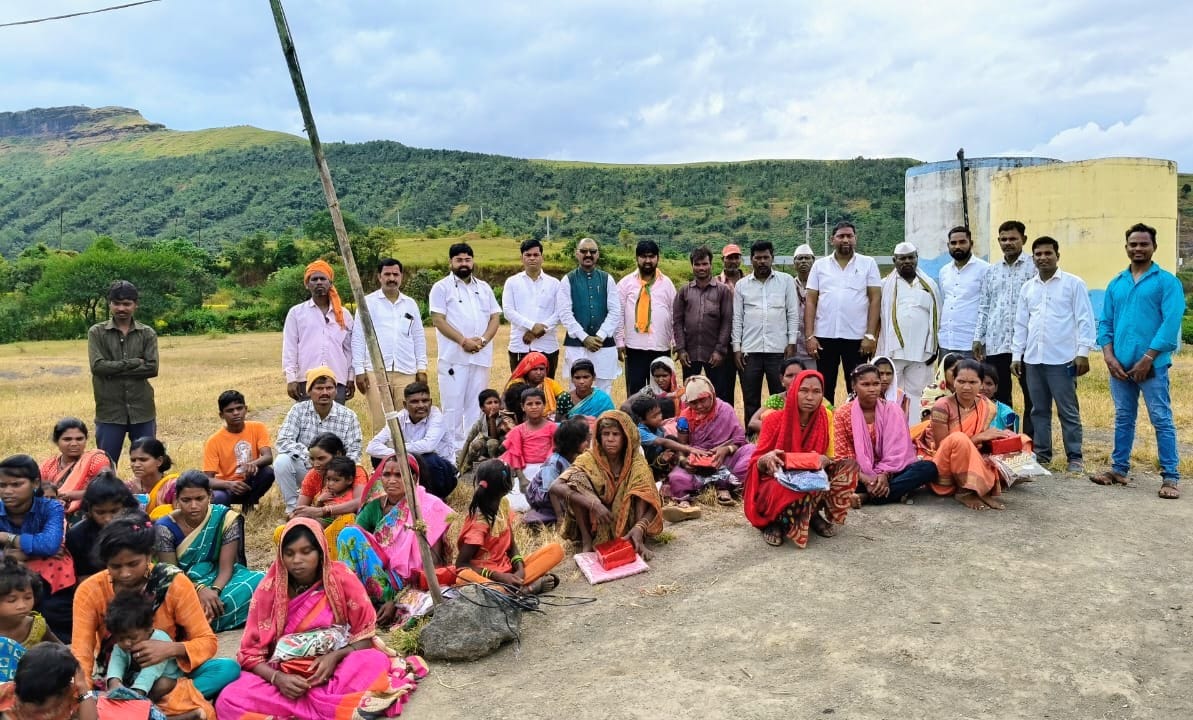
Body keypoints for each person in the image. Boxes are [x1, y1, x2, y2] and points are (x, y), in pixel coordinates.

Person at [216, 519, 427, 719]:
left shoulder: (341, 577)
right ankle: (334, 708)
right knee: (230, 697)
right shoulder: (269, 589)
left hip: (337, 668)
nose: (297, 560)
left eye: (306, 551)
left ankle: (306, 709)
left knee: (372, 662)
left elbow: (365, 637)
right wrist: (277, 678)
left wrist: (334, 657)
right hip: (285, 674)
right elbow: (250, 655)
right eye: (289, 553)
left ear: (320, 551)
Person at [72, 511, 241, 702]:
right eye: (116, 567)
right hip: (114, 676)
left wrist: (169, 649)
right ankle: (152, 705)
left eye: (133, 564)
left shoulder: (173, 582)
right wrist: (84, 694)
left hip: (165, 674)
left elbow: (207, 641)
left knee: (227, 669)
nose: (125, 573)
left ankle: (141, 704)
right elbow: (81, 653)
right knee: (69, 688)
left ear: (149, 556)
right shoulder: (90, 591)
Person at [1092, 222, 1185, 498]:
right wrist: (1108, 356)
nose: (1138, 249)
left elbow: (1171, 323)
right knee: (1123, 417)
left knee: (1161, 418)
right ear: (1126, 247)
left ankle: (1170, 477)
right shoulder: (1117, 283)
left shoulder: (1166, 282)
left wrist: (1148, 357)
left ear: (1154, 247)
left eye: (1144, 244)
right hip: (1120, 367)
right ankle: (1118, 469)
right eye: (1133, 244)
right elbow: (1105, 322)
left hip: (1153, 367)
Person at [743, 370, 858, 548]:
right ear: (794, 391)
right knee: (784, 488)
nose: (810, 397)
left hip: (813, 475)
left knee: (848, 467)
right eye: (804, 390)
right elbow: (756, 463)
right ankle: (776, 521)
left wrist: (825, 460)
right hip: (779, 478)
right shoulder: (773, 419)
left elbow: (831, 455)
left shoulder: (825, 416)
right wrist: (767, 458)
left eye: (816, 392)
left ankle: (811, 514)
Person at [1011, 237, 1095, 473]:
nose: (1043, 258)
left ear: (1058, 255)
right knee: (1038, 410)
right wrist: (1017, 355)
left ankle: (1075, 456)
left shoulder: (1073, 284)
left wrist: (1083, 353)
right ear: (1033, 258)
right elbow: (1021, 324)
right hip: (1033, 359)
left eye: (1048, 253)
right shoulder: (1028, 288)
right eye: (1038, 254)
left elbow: (1085, 319)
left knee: (1068, 410)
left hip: (1062, 359)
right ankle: (1042, 454)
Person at [337, 455, 455, 623]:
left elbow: (434, 566)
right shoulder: (375, 504)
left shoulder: (430, 506)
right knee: (348, 534)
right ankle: (353, 601)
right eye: (386, 474)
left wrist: (397, 600)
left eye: (399, 475)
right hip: (378, 576)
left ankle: (377, 604)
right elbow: (357, 544)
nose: (391, 480)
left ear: (413, 477)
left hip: (408, 583)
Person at [153, 471, 263, 632]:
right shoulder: (164, 528)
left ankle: (200, 620)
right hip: (184, 586)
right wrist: (199, 590)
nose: (193, 506)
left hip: (219, 580)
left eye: (199, 499)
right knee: (175, 608)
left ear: (210, 496)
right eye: (186, 500)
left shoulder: (225, 518)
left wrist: (214, 592)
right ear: (176, 499)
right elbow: (172, 575)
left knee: (262, 581)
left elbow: (226, 568)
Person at [550, 411, 663, 560]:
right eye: (605, 434)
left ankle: (638, 538)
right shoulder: (589, 458)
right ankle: (587, 541)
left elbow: (653, 501)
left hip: (628, 522)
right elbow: (555, 486)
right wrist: (594, 504)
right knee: (575, 481)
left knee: (641, 485)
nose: (610, 439)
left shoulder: (636, 462)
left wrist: (640, 527)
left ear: (625, 437)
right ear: (598, 436)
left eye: (616, 434)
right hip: (598, 519)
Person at [913, 359, 1021, 511]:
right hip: (945, 465)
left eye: (973, 382)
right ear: (953, 381)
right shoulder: (941, 406)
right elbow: (942, 446)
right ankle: (965, 491)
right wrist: (978, 438)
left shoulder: (987, 405)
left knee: (1021, 440)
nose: (966, 387)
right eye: (961, 381)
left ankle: (980, 483)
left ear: (980, 383)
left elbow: (982, 442)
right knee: (959, 439)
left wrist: (999, 437)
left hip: (974, 456)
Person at [430, 243, 501, 454]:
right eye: (459, 260)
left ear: (472, 261)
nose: (464, 263)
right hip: (453, 358)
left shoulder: (484, 287)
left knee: (476, 408)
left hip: (480, 356)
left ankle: (473, 453)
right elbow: (438, 320)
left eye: (467, 260)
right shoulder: (441, 287)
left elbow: (495, 317)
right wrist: (463, 341)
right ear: (450, 262)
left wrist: (483, 340)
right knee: (452, 407)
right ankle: (451, 455)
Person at [833, 365, 938, 506]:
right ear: (853, 386)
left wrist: (884, 474)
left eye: (876, 384)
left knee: (928, 468)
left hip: (891, 472)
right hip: (858, 474)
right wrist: (866, 479)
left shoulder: (892, 410)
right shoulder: (842, 414)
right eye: (865, 384)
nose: (872, 389)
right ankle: (888, 493)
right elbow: (841, 458)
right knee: (835, 476)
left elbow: (899, 453)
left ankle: (867, 497)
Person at [455, 460, 564, 593]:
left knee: (555, 550)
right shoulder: (479, 524)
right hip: (487, 576)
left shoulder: (503, 505)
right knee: (463, 577)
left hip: (509, 572)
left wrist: (520, 569)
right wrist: (498, 576)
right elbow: (461, 564)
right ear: (507, 486)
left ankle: (513, 589)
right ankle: (523, 591)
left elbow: (512, 546)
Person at [805, 222, 882, 405]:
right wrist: (809, 336)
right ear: (832, 239)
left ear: (855, 239)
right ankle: (826, 421)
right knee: (825, 387)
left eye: (849, 236)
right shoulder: (820, 265)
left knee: (857, 387)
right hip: (825, 336)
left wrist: (870, 335)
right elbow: (811, 301)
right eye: (841, 236)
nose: (845, 240)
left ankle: (856, 422)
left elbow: (875, 299)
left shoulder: (868, 263)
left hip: (857, 338)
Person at [103, 591, 211, 720]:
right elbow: (116, 664)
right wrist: (114, 683)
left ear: (148, 628)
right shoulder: (121, 645)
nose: (126, 643)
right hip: (139, 684)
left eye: (132, 638)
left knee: (160, 685)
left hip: (164, 685)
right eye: (120, 639)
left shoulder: (159, 640)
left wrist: (136, 696)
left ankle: (156, 711)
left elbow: (149, 674)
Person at [973, 220, 1037, 436]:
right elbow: (984, 306)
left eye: (1013, 239)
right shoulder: (991, 272)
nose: (1008, 243)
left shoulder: (1034, 267)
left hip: (1027, 344)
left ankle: (1029, 442)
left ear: (1023, 240)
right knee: (998, 397)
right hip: (996, 343)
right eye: (1004, 239)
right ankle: (1001, 440)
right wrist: (978, 337)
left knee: (1032, 397)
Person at [0, 456, 72, 644]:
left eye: (16, 484)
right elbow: (46, 548)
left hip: (48, 579)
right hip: (6, 577)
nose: (7, 491)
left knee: (53, 613)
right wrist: (12, 555)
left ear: (35, 483)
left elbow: (49, 544)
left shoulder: (50, 507)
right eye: (2, 485)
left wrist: (7, 538)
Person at [352, 258, 428, 432]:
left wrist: (421, 368)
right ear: (379, 277)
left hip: (406, 370)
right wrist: (359, 370)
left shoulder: (410, 304)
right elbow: (358, 337)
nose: (391, 278)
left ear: (401, 276)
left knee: (406, 423)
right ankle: (381, 452)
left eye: (395, 274)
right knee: (381, 424)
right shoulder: (367, 302)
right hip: (375, 371)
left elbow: (418, 337)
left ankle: (405, 451)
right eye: (387, 274)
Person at [87, 280, 158, 468]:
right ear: (109, 304)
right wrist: (134, 362)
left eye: (127, 304)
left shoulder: (147, 333)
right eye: (116, 303)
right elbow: (98, 367)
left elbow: (152, 368)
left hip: (142, 409)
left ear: (135, 304)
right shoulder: (97, 332)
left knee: (148, 465)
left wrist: (112, 370)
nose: (121, 308)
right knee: (105, 467)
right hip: (109, 411)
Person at [274, 367, 362, 514]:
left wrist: (334, 466)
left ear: (336, 390)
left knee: (356, 472)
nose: (325, 393)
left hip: (336, 475)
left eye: (329, 388)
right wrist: (313, 458)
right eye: (319, 388)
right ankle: (293, 508)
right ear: (309, 391)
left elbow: (354, 451)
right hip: (306, 467)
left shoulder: (349, 416)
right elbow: (283, 441)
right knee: (281, 461)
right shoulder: (298, 410)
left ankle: (333, 506)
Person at [733, 241, 801, 425]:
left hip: (778, 350)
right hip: (750, 350)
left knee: (779, 397)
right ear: (751, 259)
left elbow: (792, 313)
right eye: (758, 258)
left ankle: (780, 432)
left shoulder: (786, 281)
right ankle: (751, 435)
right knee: (750, 397)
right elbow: (737, 319)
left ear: (772, 258)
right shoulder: (741, 285)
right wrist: (737, 348)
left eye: (766, 257)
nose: (762, 261)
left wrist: (792, 342)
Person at [667, 376, 755, 512]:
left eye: (703, 400)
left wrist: (726, 449)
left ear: (712, 395)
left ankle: (724, 486)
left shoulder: (725, 409)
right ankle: (685, 502)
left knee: (751, 451)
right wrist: (684, 462)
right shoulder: (684, 419)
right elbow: (682, 447)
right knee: (676, 477)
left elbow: (739, 439)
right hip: (698, 463)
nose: (699, 406)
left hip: (727, 460)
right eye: (693, 403)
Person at [877, 242, 940, 422]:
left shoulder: (929, 285)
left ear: (917, 258)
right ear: (894, 260)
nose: (907, 261)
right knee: (891, 392)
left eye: (911, 257)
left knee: (919, 393)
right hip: (894, 351)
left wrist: (934, 347)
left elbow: (938, 315)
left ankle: (915, 431)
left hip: (922, 352)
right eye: (902, 258)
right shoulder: (884, 285)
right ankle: (893, 428)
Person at [365, 382, 458, 500]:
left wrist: (398, 450)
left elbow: (428, 446)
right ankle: (399, 494)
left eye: (425, 401)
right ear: (405, 404)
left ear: (431, 402)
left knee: (429, 459)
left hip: (444, 472)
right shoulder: (399, 417)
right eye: (415, 402)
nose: (421, 405)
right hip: (412, 464)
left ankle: (434, 498)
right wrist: (397, 453)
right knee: (377, 457)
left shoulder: (436, 417)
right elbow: (372, 447)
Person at [282, 260, 355, 404]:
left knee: (336, 417)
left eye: (323, 278)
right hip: (306, 381)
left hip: (337, 380)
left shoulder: (344, 315)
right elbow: (290, 347)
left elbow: (349, 349)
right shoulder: (296, 313)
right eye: (314, 279)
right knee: (307, 418)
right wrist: (291, 379)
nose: (319, 282)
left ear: (330, 283)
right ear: (307, 284)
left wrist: (351, 377)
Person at [286, 434, 372, 554]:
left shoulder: (353, 471)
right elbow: (300, 511)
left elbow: (359, 502)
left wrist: (323, 511)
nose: (315, 464)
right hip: (321, 524)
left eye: (321, 458)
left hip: (348, 527)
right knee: (283, 530)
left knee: (346, 520)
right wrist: (302, 514)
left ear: (338, 454)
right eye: (312, 459)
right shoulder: (313, 475)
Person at [557, 238, 623, 393]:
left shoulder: (607, 279)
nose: (588, 254)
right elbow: (565, 313)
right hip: (577, 345)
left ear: (597, 254)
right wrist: (584, 338)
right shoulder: (568, 280)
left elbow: (615, 311)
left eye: (592, 251)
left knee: (603, 390)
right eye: (583, 251)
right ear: (577, 254)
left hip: (604, 345)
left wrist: (600, 336)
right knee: (577, 389)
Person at [673, 246, 735, 405]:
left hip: (715, 354)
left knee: (719, 395)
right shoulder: (684, 291)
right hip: (690, 353)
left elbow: (727, 321)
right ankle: (690, 421)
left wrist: (720, 350)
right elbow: (677, 321)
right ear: (692, 265)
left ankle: (720, 421)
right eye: (697, 264)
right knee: (690, 393)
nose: (701, 268)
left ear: (711, 264)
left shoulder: (723, 291)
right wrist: (681, 349)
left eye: (705, 264)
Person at [615, 240, 675, 395]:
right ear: (637, 258)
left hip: (661, 347)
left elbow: (674, 313)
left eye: (652, 256)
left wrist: (676, 341)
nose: (648, 260)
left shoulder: (667, 283)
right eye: (643, 256)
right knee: (636, 395)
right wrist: (619, 341)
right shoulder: (625, 283)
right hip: (634, 348)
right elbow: (618, 314)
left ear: (658, 258)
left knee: (662, 394)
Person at [201, 390, 275, 509]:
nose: (236, 413)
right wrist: (229, 484)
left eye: (239, 408)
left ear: (246, 409)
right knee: (219, 498)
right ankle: (226, 513)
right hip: (226, 486)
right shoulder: (213, 441)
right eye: (230, 410)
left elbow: (268, 457)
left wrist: (253, 464)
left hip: (249, 482)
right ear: (221, 415)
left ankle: (249, 504)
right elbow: (207, 480)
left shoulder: (258, 427)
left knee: (268, 472)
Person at [503, 239, 562, 378]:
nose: (532, 258)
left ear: (542, 257)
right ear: (522, 258)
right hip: (520, 345)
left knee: (546, 387)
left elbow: (560, 313)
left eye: (536, 255)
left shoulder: (554, 283)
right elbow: (508, 311)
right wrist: (532, 326)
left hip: (548, 346)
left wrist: (538, 331)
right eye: (528, 255)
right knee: (520, 388)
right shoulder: (512, 282)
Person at [65, 473, 138, 582]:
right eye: (100, 512)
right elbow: (83, 578)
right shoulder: (77, 536)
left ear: (125, 507)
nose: (108, 519)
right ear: (89, 510)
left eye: (114, 511)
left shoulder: (137, 528)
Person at [0, 644, 99, 720]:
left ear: (63, 691)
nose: (31, 708)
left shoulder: (68, 695)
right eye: (26, 701)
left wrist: (82, 686)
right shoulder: (7, 694)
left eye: (39, 704)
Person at [0, 558, 60, 683]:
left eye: (28, 598)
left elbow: (61, 651)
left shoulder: (36, 626)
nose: (22, 605)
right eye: (12, 600)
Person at [37, 419, 112, 517]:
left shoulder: (96, 459)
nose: (74, 443)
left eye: (79, 439)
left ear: (86, 439)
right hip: (51, 513)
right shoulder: (49, 465)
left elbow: (108, 488)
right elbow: (37, 493)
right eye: (67, 439)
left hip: (88, 513)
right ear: (56, 441)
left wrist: (72, 495)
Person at [524, 418, 590, 526]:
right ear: (572, 443)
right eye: (583, 441)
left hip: (562, 492)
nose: (587, 443)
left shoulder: (576, 457)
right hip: (545, 496)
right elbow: (552, 490)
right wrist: (560, 516)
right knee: (554, 517)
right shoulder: (554, 463)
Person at [937, 226, 989, 359]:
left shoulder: (985, 270)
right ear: (948, 245)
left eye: (962, 242)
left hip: (972, 343)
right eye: (953, 243)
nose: (957, 246)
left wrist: (980, 338)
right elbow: (943, 301)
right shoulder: (944, 271)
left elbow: (988, 307)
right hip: (946, 342)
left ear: (971, 243)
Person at [501, 388, 557, 511]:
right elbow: (515, 455)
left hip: (547, 469)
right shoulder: (518, 430)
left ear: (544, 405)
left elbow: (555, 451)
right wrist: (521, 478)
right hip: (526, 471)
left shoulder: (553, 428)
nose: (534, 407)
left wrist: (547, 472)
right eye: (529, 404)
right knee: (517, 503)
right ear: (523, 407)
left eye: (538, 403)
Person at [747, 357, 806, 435]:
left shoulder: (812, 398)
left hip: (806, 439)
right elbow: (753, 422)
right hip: (779, 438)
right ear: (782, 379)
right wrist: (782, 431)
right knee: (767, 415)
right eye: (789, 376)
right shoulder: (776, 400)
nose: (794, 379)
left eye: (798, 375)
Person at [457, 390, 509, 477]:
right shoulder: (481, 420)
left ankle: (495, 469)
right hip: (486, 446)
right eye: (489, 403)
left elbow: (494, 438)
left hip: (501, 448)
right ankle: (468, 465)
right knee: (475, 444)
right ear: (482, 408)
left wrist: (492, 419)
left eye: (496, 402)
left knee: (492, 443)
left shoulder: (504, 418)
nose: (493, 405)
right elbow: (468, 441)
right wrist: (460, 464)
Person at [503, 352, 566, 422]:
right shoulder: (516, 384)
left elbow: (564, 398)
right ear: (526, 370)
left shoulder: (550, 383)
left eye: (541, 369)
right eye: (535, 369)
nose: (539, 373)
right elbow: (506, 405)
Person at [620, 356, 684, 421]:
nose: (660, 380)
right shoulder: (648, 391)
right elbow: (625, 406)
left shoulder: (680, 392)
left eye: (664, 376)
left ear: (672, 375)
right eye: (657, 376)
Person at [127, 438, 177, 519]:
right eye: (133, 460)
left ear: (159, 461)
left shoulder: (172, 486)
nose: (136, 465)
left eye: (143, 460)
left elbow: (181, 516)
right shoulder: (129, 487)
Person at [790, 244, 818, 370]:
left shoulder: (821, 285)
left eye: (807, 258)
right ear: (794, 263)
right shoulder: (788, 285)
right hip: (793, 346)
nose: (803, 261)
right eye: (800, 258)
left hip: (814, 345)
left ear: (813, 261)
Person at [980, 363, 1020, 432]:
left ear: (996, 388)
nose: (983, 387)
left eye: (989, 384)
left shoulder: (1006, 412)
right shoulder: (965, 409)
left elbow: (1012, 436)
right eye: (979, 382)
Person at [872, 356, 911, 422]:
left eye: (888, 374)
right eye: (881, 373)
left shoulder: (901, 396)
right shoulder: (865, 394)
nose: (885, 378)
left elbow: (904, 423)